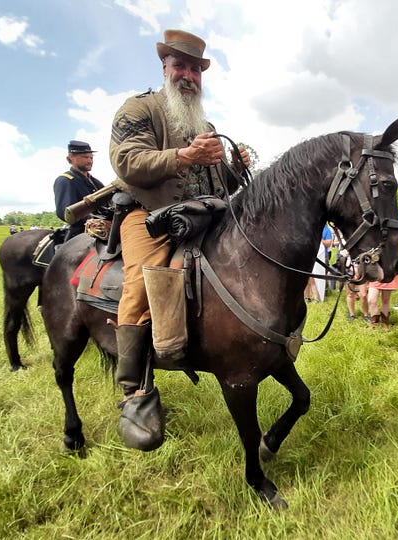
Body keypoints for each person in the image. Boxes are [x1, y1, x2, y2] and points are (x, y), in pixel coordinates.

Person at [108, 29, 249, 449]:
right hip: (147, 213)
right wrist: (183, 156)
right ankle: (135, 390)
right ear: (165, 67)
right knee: (143, 279)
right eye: (180, 66)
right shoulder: (139, 107)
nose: (188, 75)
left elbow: (214, 180)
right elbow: (127, 160)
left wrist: (235, 168)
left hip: (201, 214)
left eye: (195, 69)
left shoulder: (205, 124)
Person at [53, 140, 105, 240]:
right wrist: (96, 221)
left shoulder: (96, 182)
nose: (90, 161)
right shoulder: (65, 180)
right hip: (81, 233)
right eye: (85, 157)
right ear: (71, 157)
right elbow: (64, 213)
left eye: (91, 157)